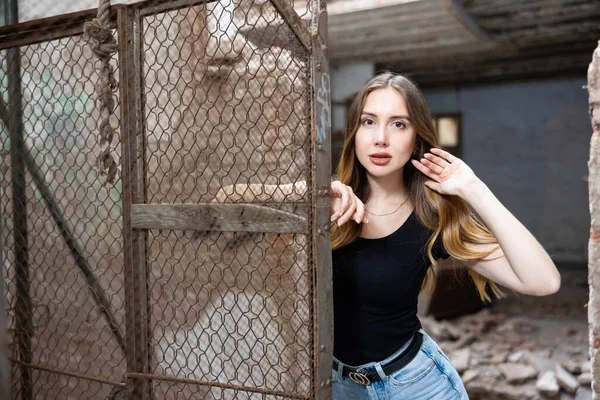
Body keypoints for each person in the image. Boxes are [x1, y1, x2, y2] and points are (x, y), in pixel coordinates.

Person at [214, 71, 561, 399]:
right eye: (369, 122)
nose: (381, 138)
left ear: (416, 138)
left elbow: (543, 281)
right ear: (355, 133)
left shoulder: (432, 216)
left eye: (398, 124)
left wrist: (474, 188)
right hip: (338, 384)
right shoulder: (327, 203)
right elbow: (224, 201)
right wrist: (310, 191)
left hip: (415, 384)